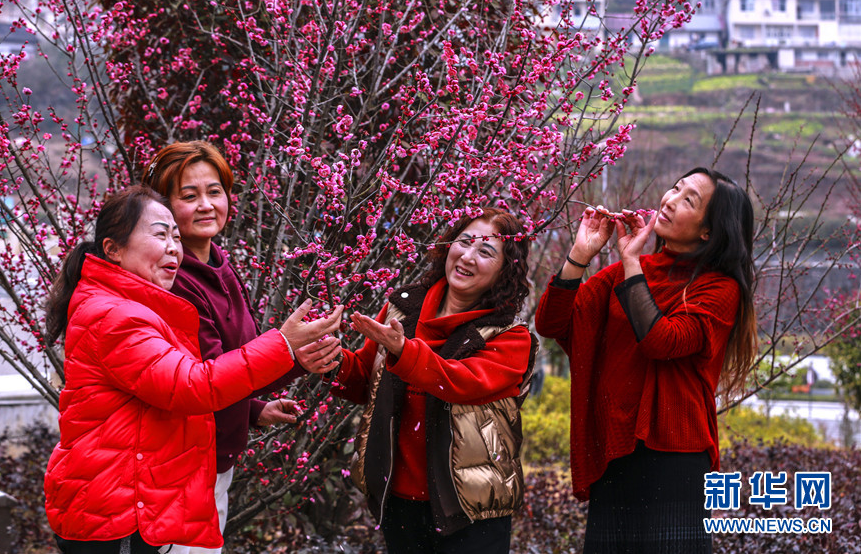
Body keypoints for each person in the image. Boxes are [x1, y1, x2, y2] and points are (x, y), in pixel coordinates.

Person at [43, 186, 343, 553]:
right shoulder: (115, 316)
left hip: (124, 501)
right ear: (113, 250)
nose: (173, 246)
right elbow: (190, 385)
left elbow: (164, 388)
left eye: (174, 235)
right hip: (115, 511)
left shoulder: (136, 306)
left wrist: (254, 407)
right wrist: (282, 344)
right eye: (159, 234)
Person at [534, 168, 757, 553]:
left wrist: (631, 260)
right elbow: (552, 322)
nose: (670, 199)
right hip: (615, 447)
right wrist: (580, 254)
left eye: (689, 200)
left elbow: (661, 340)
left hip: (676, 457)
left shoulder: (721, 290)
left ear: (709, 230)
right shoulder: (625, 273)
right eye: (675, 188)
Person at [140, 141, 343, 553]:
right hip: (183, 469)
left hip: (214, 460)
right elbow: (205, 380)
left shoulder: (216, 262)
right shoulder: (175, 283)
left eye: (214, 191)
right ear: (164, 208)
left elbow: (230, 365)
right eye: (188, 195)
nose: (206, 205)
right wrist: (288, 350)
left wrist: (254, 408)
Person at [334, 208, 538, 554]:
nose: (468, 256)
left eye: (486, 252)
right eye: (464, 242)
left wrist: (403, 350)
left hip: (471, 511)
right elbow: (364, 382)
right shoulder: (402, 309)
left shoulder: (509, 337)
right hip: (399, 501)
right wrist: (328, 361)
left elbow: (459, 383)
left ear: (505, 272)